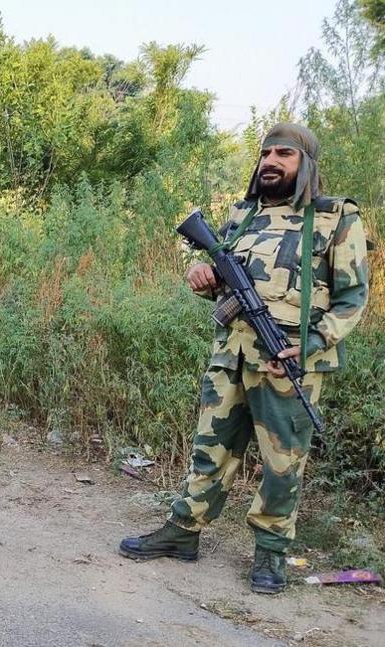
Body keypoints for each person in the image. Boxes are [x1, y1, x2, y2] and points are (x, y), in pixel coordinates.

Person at [118, 123, 370, 595]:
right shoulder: (244, 215)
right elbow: (225, 282)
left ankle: (271, 554)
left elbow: (353, 298)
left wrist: (312, 343)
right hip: (230, 357)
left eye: (285, 154)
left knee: (281, 464)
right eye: (266, 153)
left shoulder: (335, 217)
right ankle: (182, 532)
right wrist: (203, 277)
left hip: (286, 362)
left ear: (306, 164)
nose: (271, 162)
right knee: (208, 450)